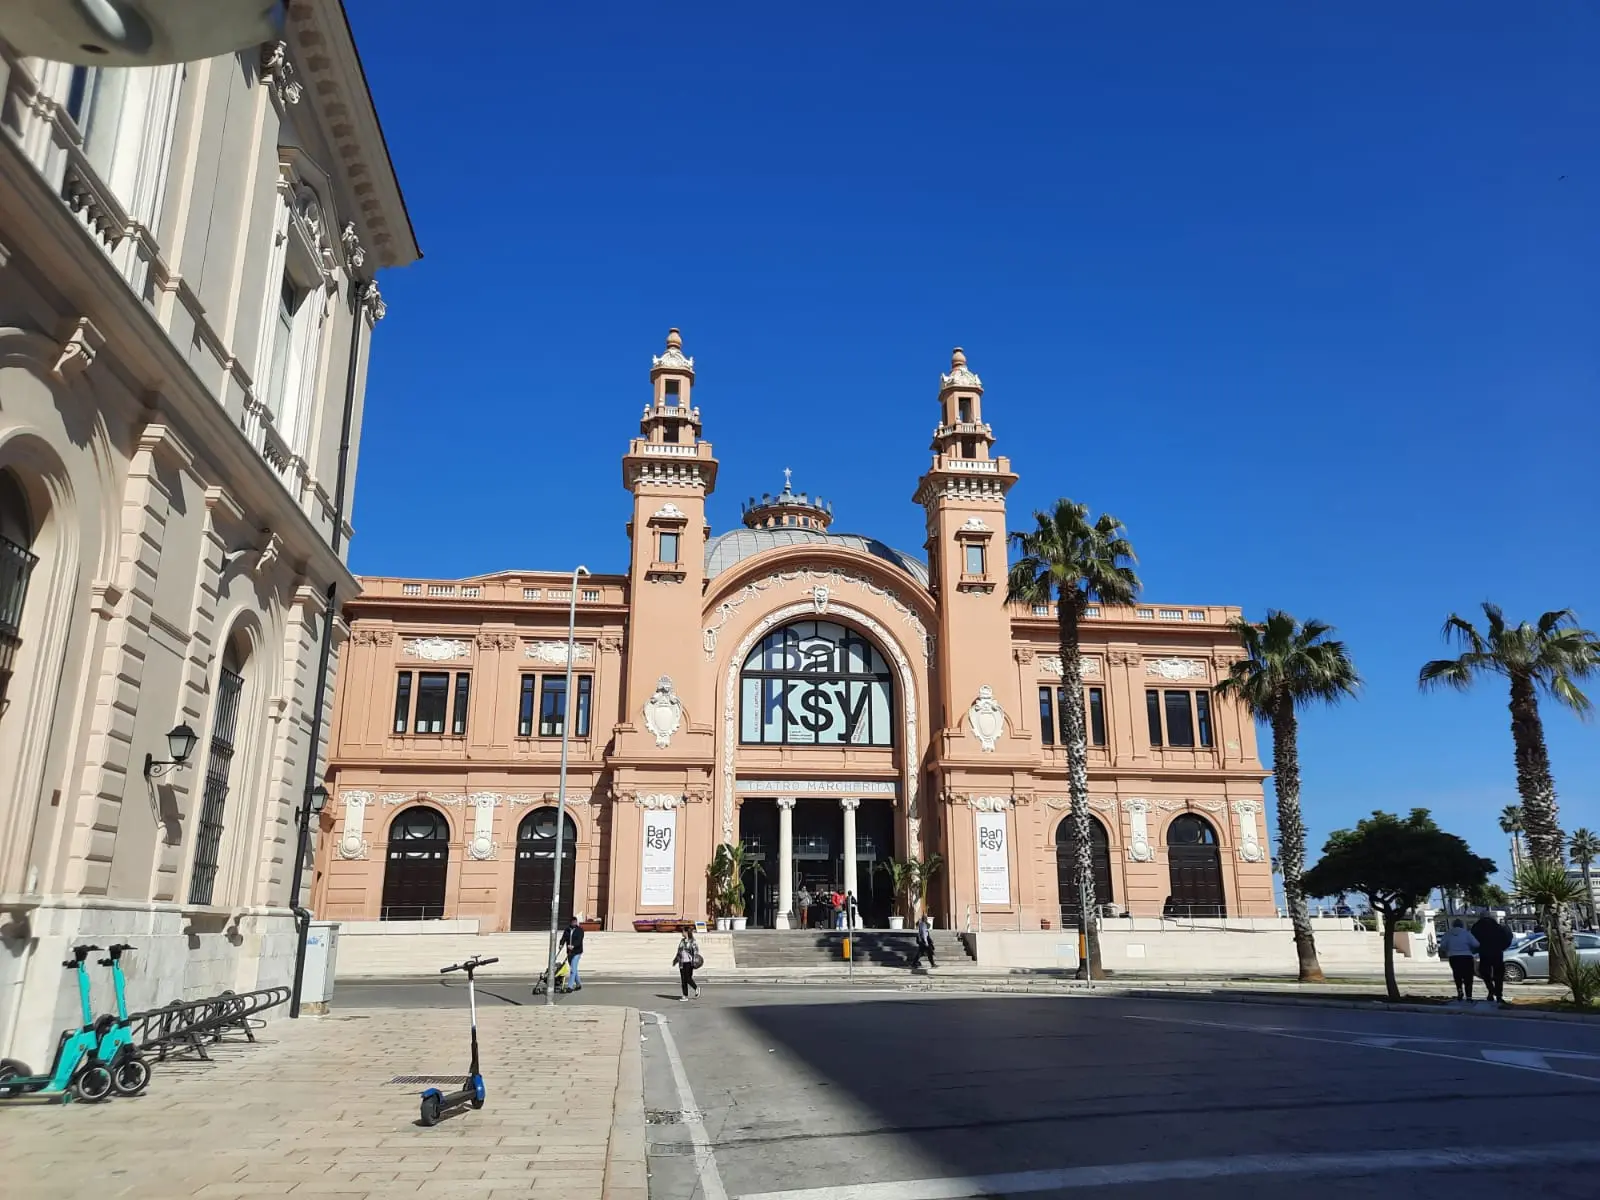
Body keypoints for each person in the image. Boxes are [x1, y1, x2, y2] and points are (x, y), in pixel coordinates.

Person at [1471, 912, 1513, 1004]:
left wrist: (1477, 950)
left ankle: (1491, 990)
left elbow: (1473, 941)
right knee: (1498, 975)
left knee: (1485, 973)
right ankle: (1498, 995)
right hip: (1497, 953)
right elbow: (1507, 939)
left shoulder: (1476, 928)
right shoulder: (1498, 927)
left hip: (1484, 953)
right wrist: (1502, 948)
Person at [1440, 919, 1480, 1001]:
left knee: (1457, 975)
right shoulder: (1466, 933)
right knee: (1468, 977)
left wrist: (1449, 950)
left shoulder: (1448, 934)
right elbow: (1476, 944)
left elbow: (1442, 945)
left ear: (1453, 925)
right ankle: (1469, 996)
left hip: (1453, 957)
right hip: (1466, 957)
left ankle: (1460, 992)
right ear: (1462, 925)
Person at [672, 929, 701, 1001]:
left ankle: (696, 988)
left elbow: (696, 951)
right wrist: (676, 960)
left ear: (686, 932)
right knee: (683, 980)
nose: (682, 933)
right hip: (682, 962)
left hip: (689, 962)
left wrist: (695, 961)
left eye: (683, 931)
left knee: (688, 978)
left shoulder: (692, 941)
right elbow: (679, 951)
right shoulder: (682, 941)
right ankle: (685, 996)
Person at [558, 916, 585, 992]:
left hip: (577, 952)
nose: (574, 923)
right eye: (573, 922)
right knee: (574, 969)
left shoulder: (580, 930)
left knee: (573, 969)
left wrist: (573, 946)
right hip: (569, 953)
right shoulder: (567, 930)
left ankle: (570, 986)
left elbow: (579, 940)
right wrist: (561, 944)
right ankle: (578, 984)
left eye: (575, 922)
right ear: (570, 922)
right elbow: (564, 938)